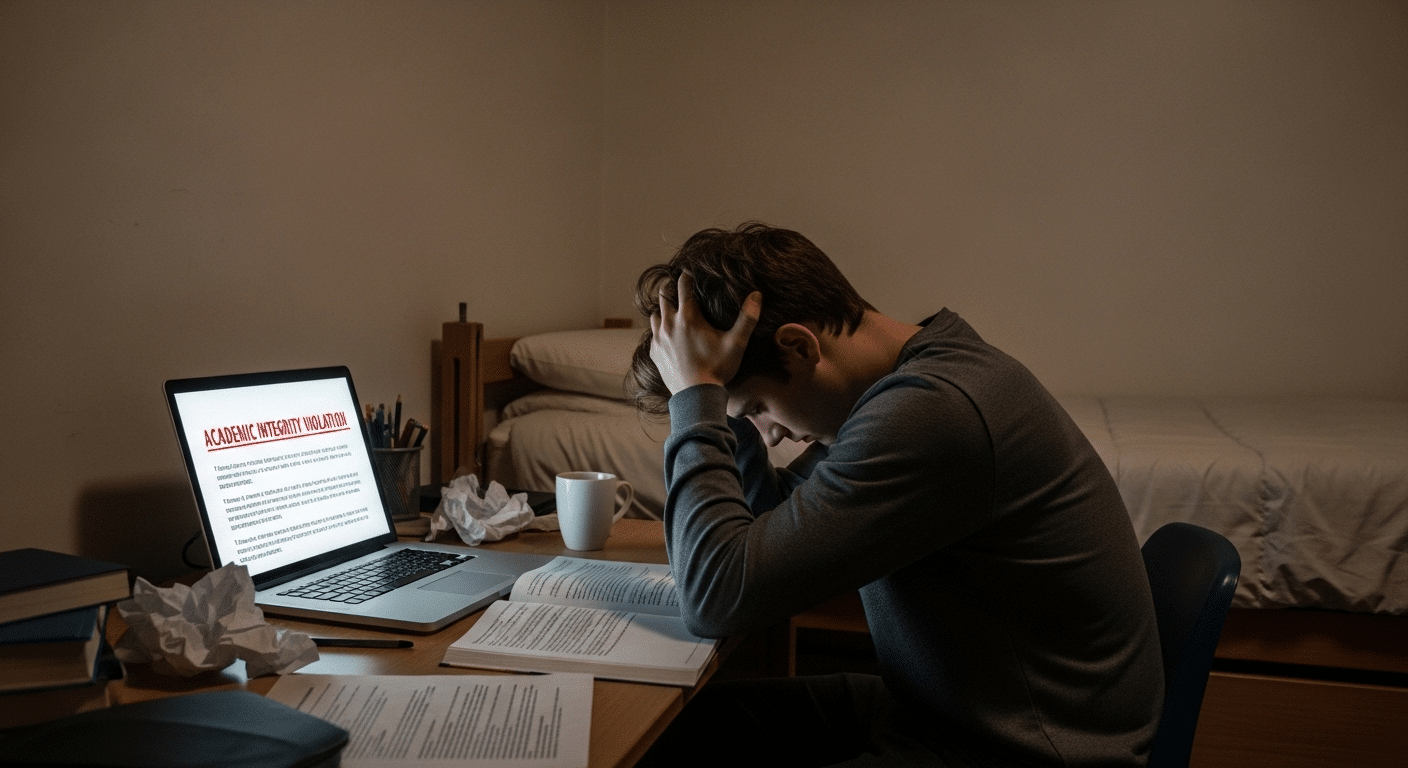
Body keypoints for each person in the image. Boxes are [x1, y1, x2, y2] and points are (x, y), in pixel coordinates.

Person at [629, 222, 1164, 767]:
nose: (770, 435)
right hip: (952, 712)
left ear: (798, 345)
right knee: (665, 735)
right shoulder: (917, 378)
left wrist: (698, 400)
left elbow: (717, 597)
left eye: (760, 407)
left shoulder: (932, 413)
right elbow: (775, 524)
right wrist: (719, 405)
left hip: (1018, 747)